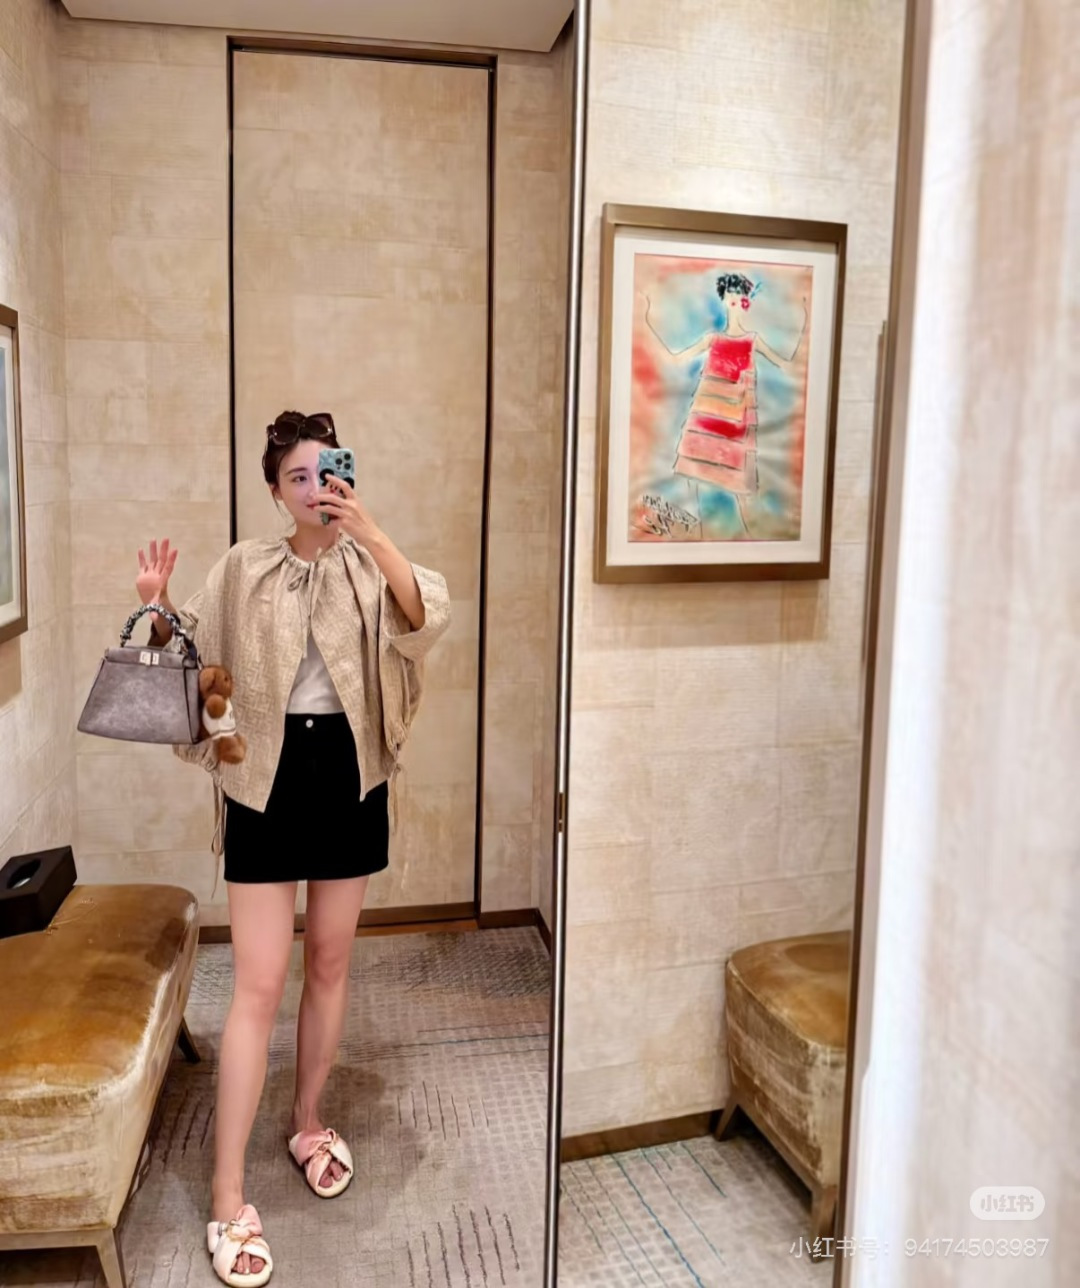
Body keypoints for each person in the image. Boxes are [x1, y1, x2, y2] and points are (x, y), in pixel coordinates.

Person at [134, 410, 450, 1286]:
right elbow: (193, 647)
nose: (316, 490)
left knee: (332, 963)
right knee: (259, 984)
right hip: (264, 779)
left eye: (328, 472)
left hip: (349, 771)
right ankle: (227, 1195)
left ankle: (308, 1122)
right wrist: (157, 608)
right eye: (298, 477)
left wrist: (370, 529)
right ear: (276, 491)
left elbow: (425, 618)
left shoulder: (369, 562)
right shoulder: (244, 566)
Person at [643, 271, 807, 536]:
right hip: (705, 421)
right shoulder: (712, 339)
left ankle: (752, 544)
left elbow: (788, 365)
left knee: (742, 493)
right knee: (694, 481)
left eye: (738, 293)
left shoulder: (751, 340)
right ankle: (698, 542)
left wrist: (807, 323)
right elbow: (674, 359)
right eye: (729, 293)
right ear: (723, 299)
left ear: (745, 301)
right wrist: (646, 319)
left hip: (736, 427)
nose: (733, 297)